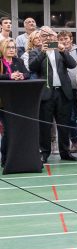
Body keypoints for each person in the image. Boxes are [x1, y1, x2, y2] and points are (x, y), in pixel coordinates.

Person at [29, 27, 77, 162]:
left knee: (64, 124)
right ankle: (44, 153)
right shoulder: (35, 52)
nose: (48, 38)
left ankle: (65, 152)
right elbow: (32, 67)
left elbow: (72, 65)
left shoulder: (60, 51)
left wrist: (63, 52)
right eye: (45, 36)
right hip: (46, 94)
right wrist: (42, 53)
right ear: (40, 38)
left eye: (50, 35)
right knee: (45, 125)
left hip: (63, 92)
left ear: (54, 37)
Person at [0, 39, 28, 167]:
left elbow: (27, 73)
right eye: (9, 47)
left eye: (13, 47)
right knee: (7, 130)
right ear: (3, 49)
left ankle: (11, 157)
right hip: (2, 101)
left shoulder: (18, 61)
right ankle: (5, 158)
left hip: (15, 100)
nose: (12, 49)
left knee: (12, 130)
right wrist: (9, 76)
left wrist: (22, 76)